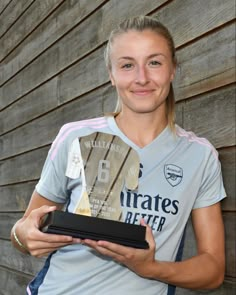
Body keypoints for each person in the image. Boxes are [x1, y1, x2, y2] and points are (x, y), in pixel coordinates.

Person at [11, 15, 226, 295]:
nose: (142, 78)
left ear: (173, 69)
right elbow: (22, 233)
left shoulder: (200, 156)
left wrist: (151, 269)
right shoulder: (76, 138)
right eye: (127, 65)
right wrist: (25, 235)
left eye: (155, 62)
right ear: (111, 75)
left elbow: (213, 270)